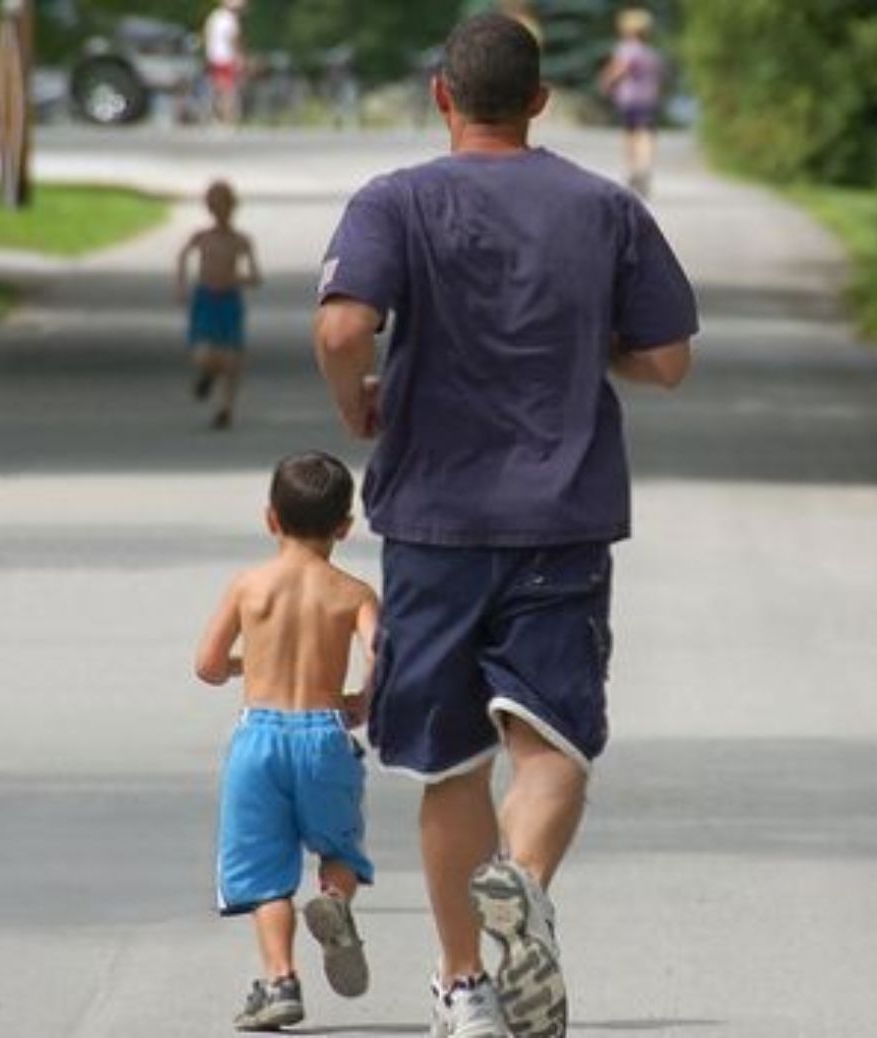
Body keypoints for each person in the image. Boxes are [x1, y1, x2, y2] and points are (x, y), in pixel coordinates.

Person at [313, 13, 696, 1037]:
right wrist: (590, 345)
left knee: (446, 767)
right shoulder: (605, 208)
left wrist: (357, 402)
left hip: (434, 524)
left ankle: (463, 989)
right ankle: (520, 878)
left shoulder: (393, 202)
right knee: (552, 744)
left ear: (442, 95)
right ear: (540, 101)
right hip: (561, 519)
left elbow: (344, 325)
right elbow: (666, 360)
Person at [194, 450, 381, 1031]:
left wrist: (244, 664)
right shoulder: (353, 593)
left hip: (259, 740)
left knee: (265, 871)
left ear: (270, 518)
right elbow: (383, 658)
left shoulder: (249, 586)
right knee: (339, 849)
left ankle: (279, 980)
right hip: (324, 733)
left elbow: (205, 665)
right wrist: (362, 702)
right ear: (346, 527)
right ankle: (336, 903)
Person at [177, 179, 261, 430]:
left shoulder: (241, 241)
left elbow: (255, 276)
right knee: (204, 354)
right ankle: (207, 374)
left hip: (229, 301)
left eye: (224, 204)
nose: (220, 210)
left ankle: (226, 409)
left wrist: (238, 278)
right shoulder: (201, 237)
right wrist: (180, 286)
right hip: (205, 298)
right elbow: (182, 256)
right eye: (214, 205)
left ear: (232, 207)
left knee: (232, 357)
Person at [599, 8, 664, 197]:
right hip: (649, 98)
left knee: (630, 134)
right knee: (646, 134)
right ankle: (645, 168)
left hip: (629, 99)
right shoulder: (651, 52)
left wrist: (607, 81)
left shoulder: (626, 49)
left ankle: (634, 170)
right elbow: (658, 77)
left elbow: (621, 68)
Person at [204, 0, 247, 127]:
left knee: (219, 87)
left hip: (213, 56)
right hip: (227, 57)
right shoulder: (231, 19)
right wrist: (239, 56)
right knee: (228, 89)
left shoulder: (214, 16)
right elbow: (234, 39)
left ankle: (217, 116)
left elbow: (207, 33)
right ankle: (226, 117)